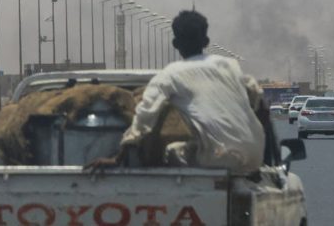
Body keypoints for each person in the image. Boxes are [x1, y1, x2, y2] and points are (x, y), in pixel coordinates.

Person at [88, 10, 265, 174]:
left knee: (172, 151)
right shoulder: (230, 65)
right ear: (206, 42)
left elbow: (144, 117)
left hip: (218, 158)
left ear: (175, 43)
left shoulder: (170, 75)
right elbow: (256, 94)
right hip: (256, 156)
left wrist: (118, 158)